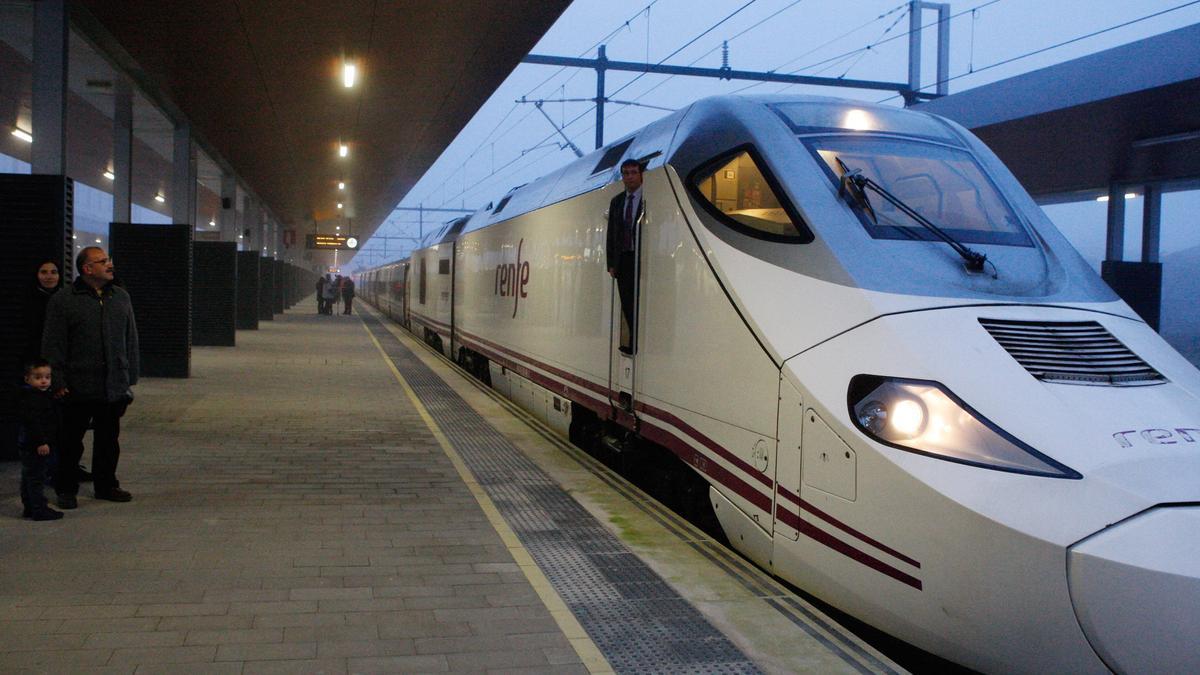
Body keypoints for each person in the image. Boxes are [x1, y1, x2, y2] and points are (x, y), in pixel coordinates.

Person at [42, 247, 139, 509]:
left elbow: (130, 339)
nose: (109, 265)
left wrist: (130, 377)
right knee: (71, 442)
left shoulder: (121, 297)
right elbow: (53, 344)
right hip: (76, 385)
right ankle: (66, 488)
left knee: (109, 440)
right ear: (86, 269)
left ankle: (106, 485)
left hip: (112, 385)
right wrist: (58, 382)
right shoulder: (64, 301)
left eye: (109, 259)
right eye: (102, 261)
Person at [605, 159, 645, 354]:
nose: (629, 177)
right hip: (623, 259)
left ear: (640, 175)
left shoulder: (648, 197)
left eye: (633, 172)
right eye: (626, 173)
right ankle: (634, 342)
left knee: (642, 302)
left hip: (644, 257)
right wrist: (611, 264)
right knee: (627, 302)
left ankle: (641, 341)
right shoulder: (617, 201)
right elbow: (611, 234)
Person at [16, 359, 63, 521]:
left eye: (47, 377)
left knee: (29, 476)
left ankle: (30, 507)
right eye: (38, 377)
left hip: (30, 444)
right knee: (36, 478)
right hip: (35, 445)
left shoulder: (41, 396)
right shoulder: (32, 399)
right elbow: (33, 423)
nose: (44, 381)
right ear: (27, 379)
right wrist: (41, 442)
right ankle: (38, 509)